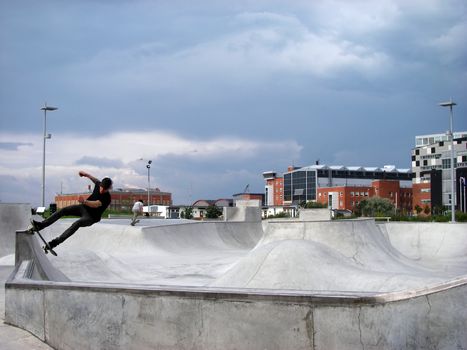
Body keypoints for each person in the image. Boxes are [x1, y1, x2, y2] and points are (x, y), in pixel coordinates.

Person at [29, 170, 113, 252]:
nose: (101, 190)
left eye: (104, 189)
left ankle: (54, 243)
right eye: (101, 188)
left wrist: (84, 201)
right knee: (63, 210)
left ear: (108, 189)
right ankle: (41, 225)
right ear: (101, 184)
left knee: (77, 223)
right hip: (83, 208)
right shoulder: (99, 184)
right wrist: (86, 174)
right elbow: (93, 179)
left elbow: (96, 204)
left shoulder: (107, 198)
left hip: (91, 217)